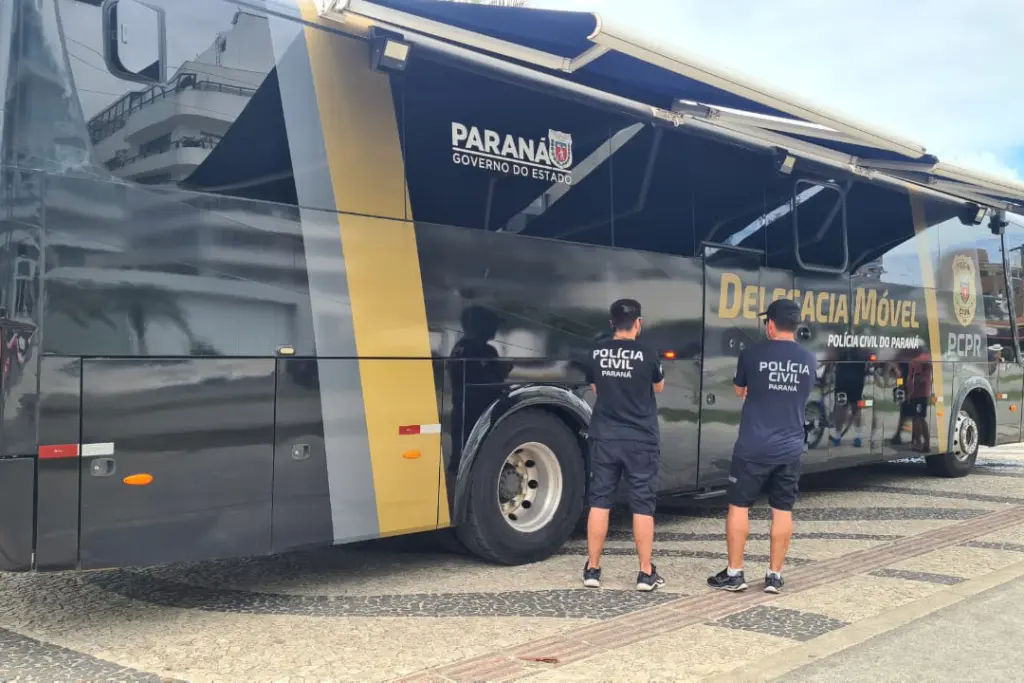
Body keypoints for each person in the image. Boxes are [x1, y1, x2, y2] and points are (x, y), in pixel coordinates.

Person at [708, 299, 815, 594]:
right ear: (794, 326)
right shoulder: (808, 359)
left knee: (739, 506)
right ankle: (774, 576)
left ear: (770, 325)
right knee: (782, 509)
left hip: (752, 447)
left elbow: (740, 390)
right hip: (790, 446)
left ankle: (735, 573)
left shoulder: (751, 354)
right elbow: (803, 394)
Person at [582, 298, 666, 592]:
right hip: (641, 438)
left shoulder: (597, 351)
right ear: (638, 324)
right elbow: (658, 386)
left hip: (605, 435)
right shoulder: (648, 353)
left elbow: (594, 386)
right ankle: (645, 572)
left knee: (600, 501)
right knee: (642, 505)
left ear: (611, 324)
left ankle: (593, 569)